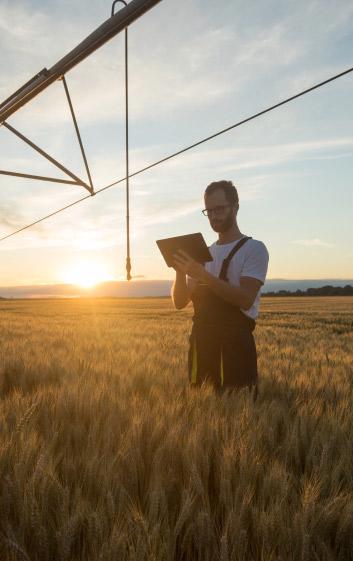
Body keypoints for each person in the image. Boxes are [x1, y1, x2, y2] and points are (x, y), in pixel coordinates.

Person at [171, 180, 269, 398]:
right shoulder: (202, 253)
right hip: (201, 345)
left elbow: (245, 299)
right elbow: (180, 302)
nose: (214, 216)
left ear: (235, 207)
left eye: (220, 209)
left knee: (238, 411)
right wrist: (179, 270)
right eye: (209, 211)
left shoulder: (254, 249)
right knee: (202, 410)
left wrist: (203, 274)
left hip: (235, 346)